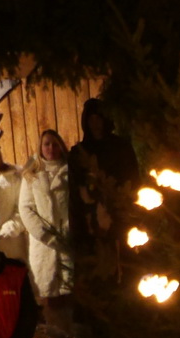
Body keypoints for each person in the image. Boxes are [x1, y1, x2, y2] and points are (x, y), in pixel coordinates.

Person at [68, 98, 138, 261]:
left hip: (120, 212)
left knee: (123, 259)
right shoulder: (79, 152)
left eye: (98, 118)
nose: (95, 123)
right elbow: (74, 189)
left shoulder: (121, 147)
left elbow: (132, 178)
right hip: (90, 219)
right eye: (91, 119)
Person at [20, 129, 75, 336]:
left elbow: (76, 204)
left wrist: (67, 231)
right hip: (44, 245)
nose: (50, 148)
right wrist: (47, 235)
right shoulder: (32, 175)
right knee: (49, 297)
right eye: (46, 144)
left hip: (68, 241)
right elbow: (26, 209)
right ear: (40, 148)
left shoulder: (71, 171)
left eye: (54, 144)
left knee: (70, 294)